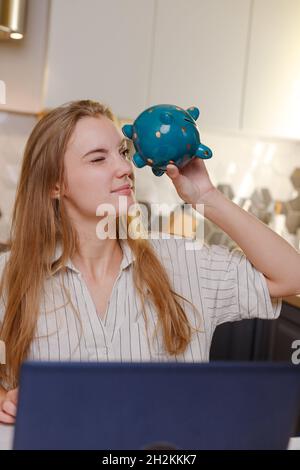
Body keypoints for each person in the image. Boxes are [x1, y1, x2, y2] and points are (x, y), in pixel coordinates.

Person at [0, 100, 299, 425]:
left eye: (124, 152)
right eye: (99, 158)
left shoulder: (184, 262)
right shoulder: (9, 275)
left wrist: (207, 198)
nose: (125, 168)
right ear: (54, 185)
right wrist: (5, 400)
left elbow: (291, 276)